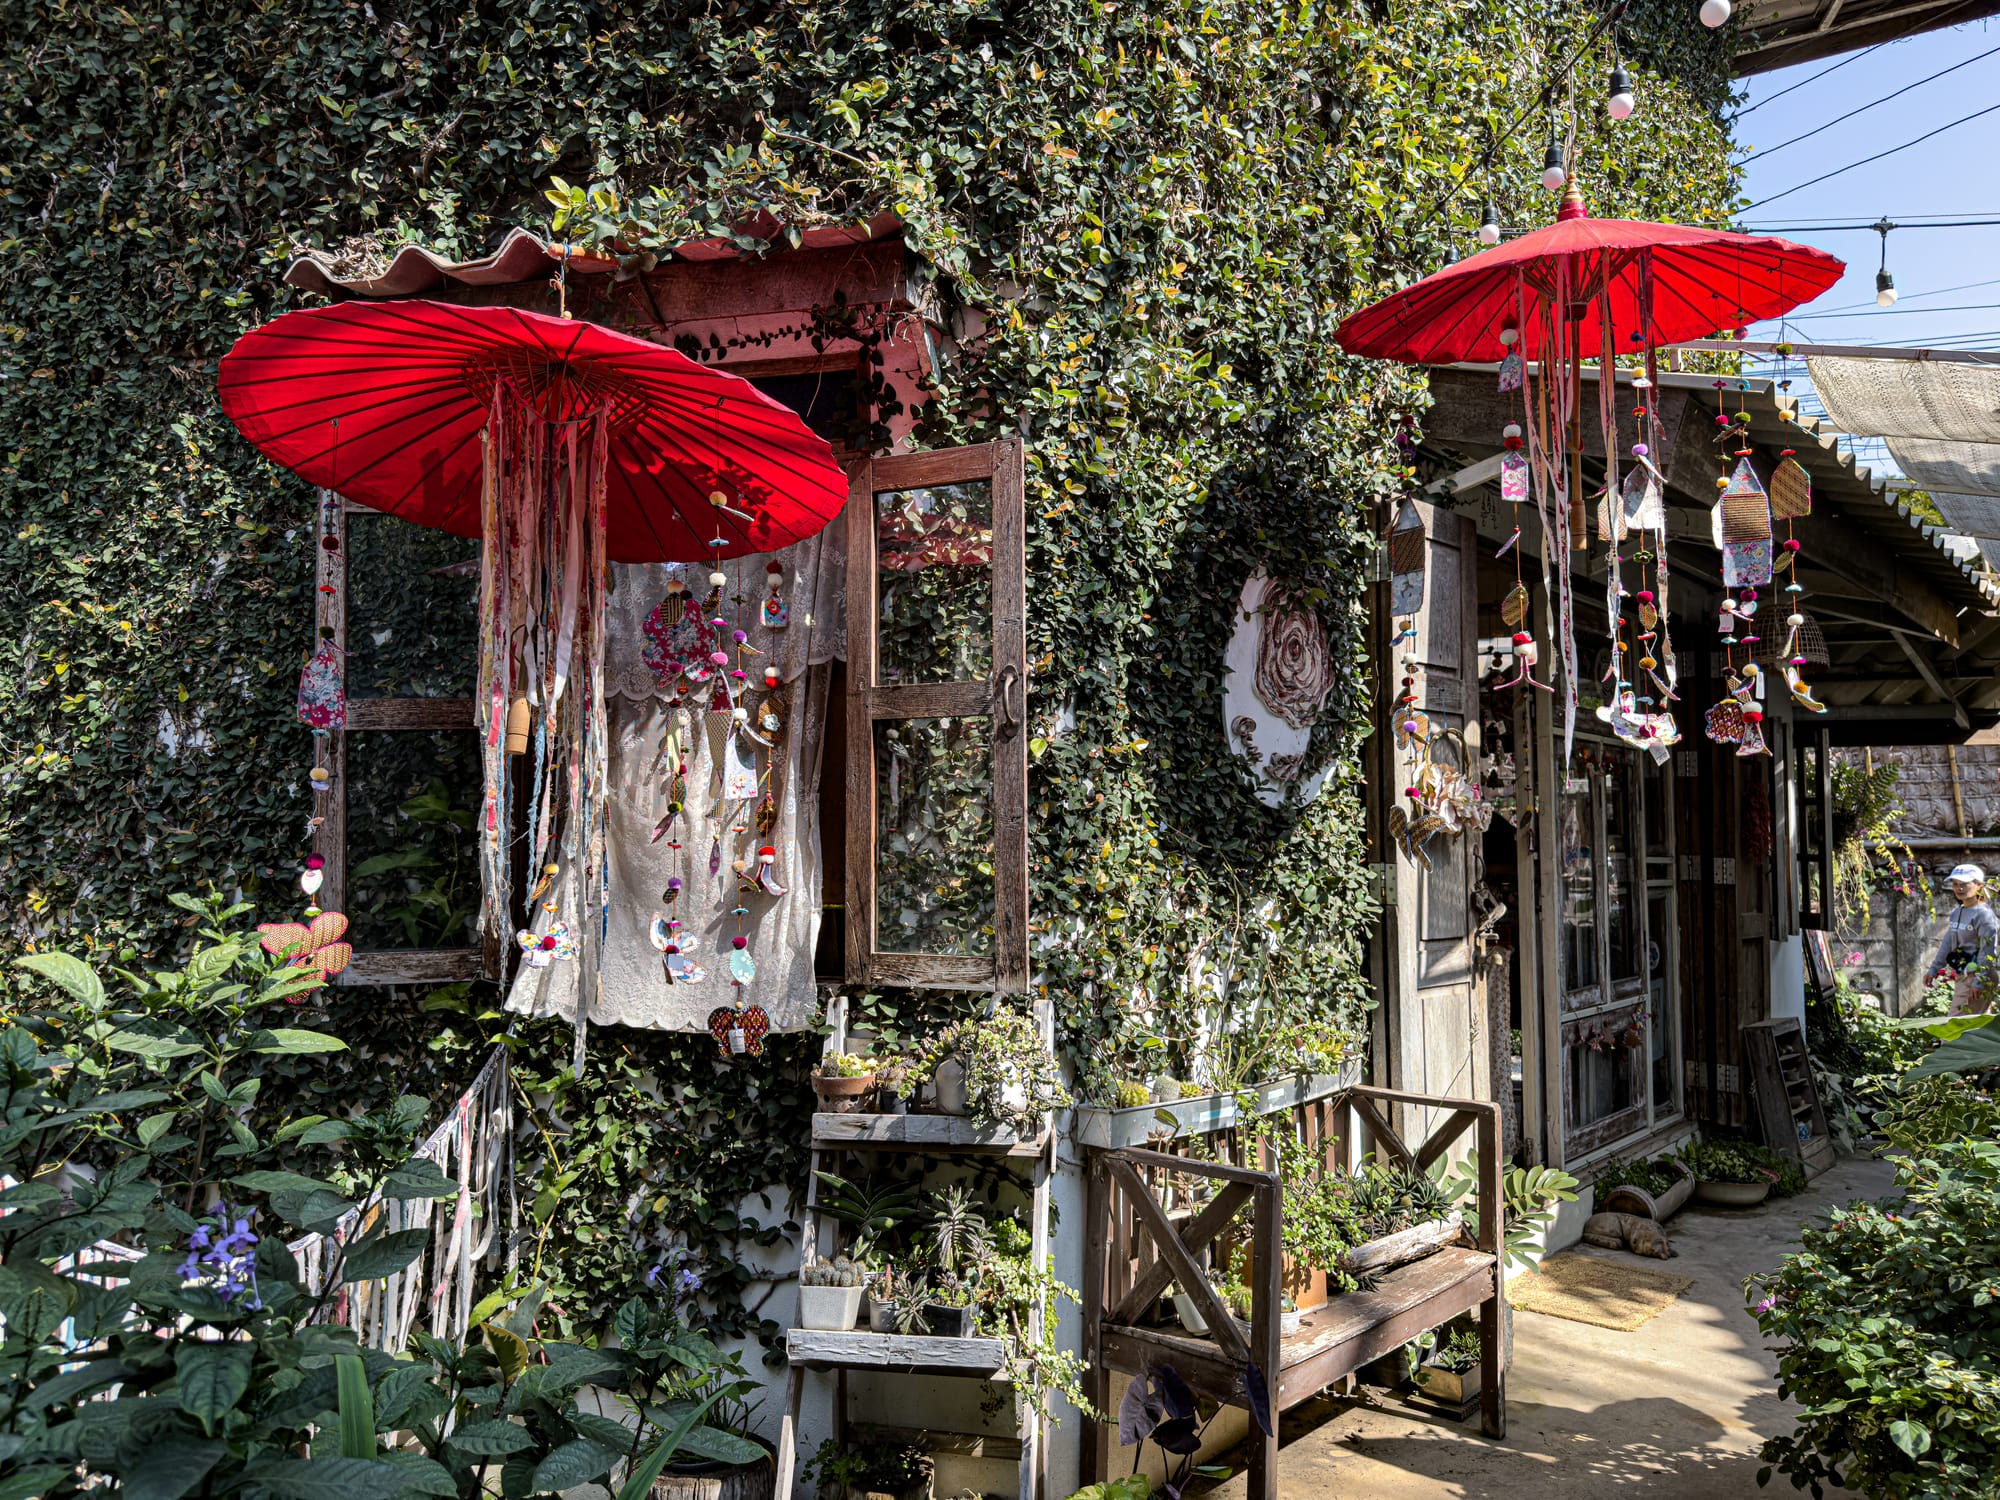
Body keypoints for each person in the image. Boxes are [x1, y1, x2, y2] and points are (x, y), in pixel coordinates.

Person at [1926, 862, 2000, 1016]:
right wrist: (1934, 968)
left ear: (1979, 885)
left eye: (1965, 884)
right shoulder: (1957, 912)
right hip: (1964, 975)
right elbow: (1948, 942)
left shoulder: (1984, 915)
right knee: (1975, 1030)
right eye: (1955, 884)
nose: (1959, 888)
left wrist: (1979, 981)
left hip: (1977, 977)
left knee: (1954, 1028)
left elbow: (1988, 951)